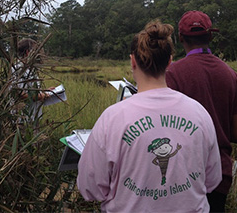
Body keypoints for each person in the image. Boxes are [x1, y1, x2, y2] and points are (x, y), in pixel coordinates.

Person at [77, 20, 222, 213]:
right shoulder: (199, 113)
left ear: (133, 61)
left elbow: (90, 189)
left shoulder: (112, 118)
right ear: (170, 61)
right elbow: (211, 181)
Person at [165, 10, 237, 212]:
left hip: (184, 176)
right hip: (220, 175)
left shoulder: (173, 73)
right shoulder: (232, 75)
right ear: (210, 36)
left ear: (180, 38)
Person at [12, 38, 51, 124]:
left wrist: (45, 91)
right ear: (28, 53)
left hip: (32, 119)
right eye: (36, 52)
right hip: (22, 120)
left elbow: (29, 90)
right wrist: (41, 96)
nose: (40, 55)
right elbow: (20, 94)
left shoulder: (29, 69)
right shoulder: (19, 69)